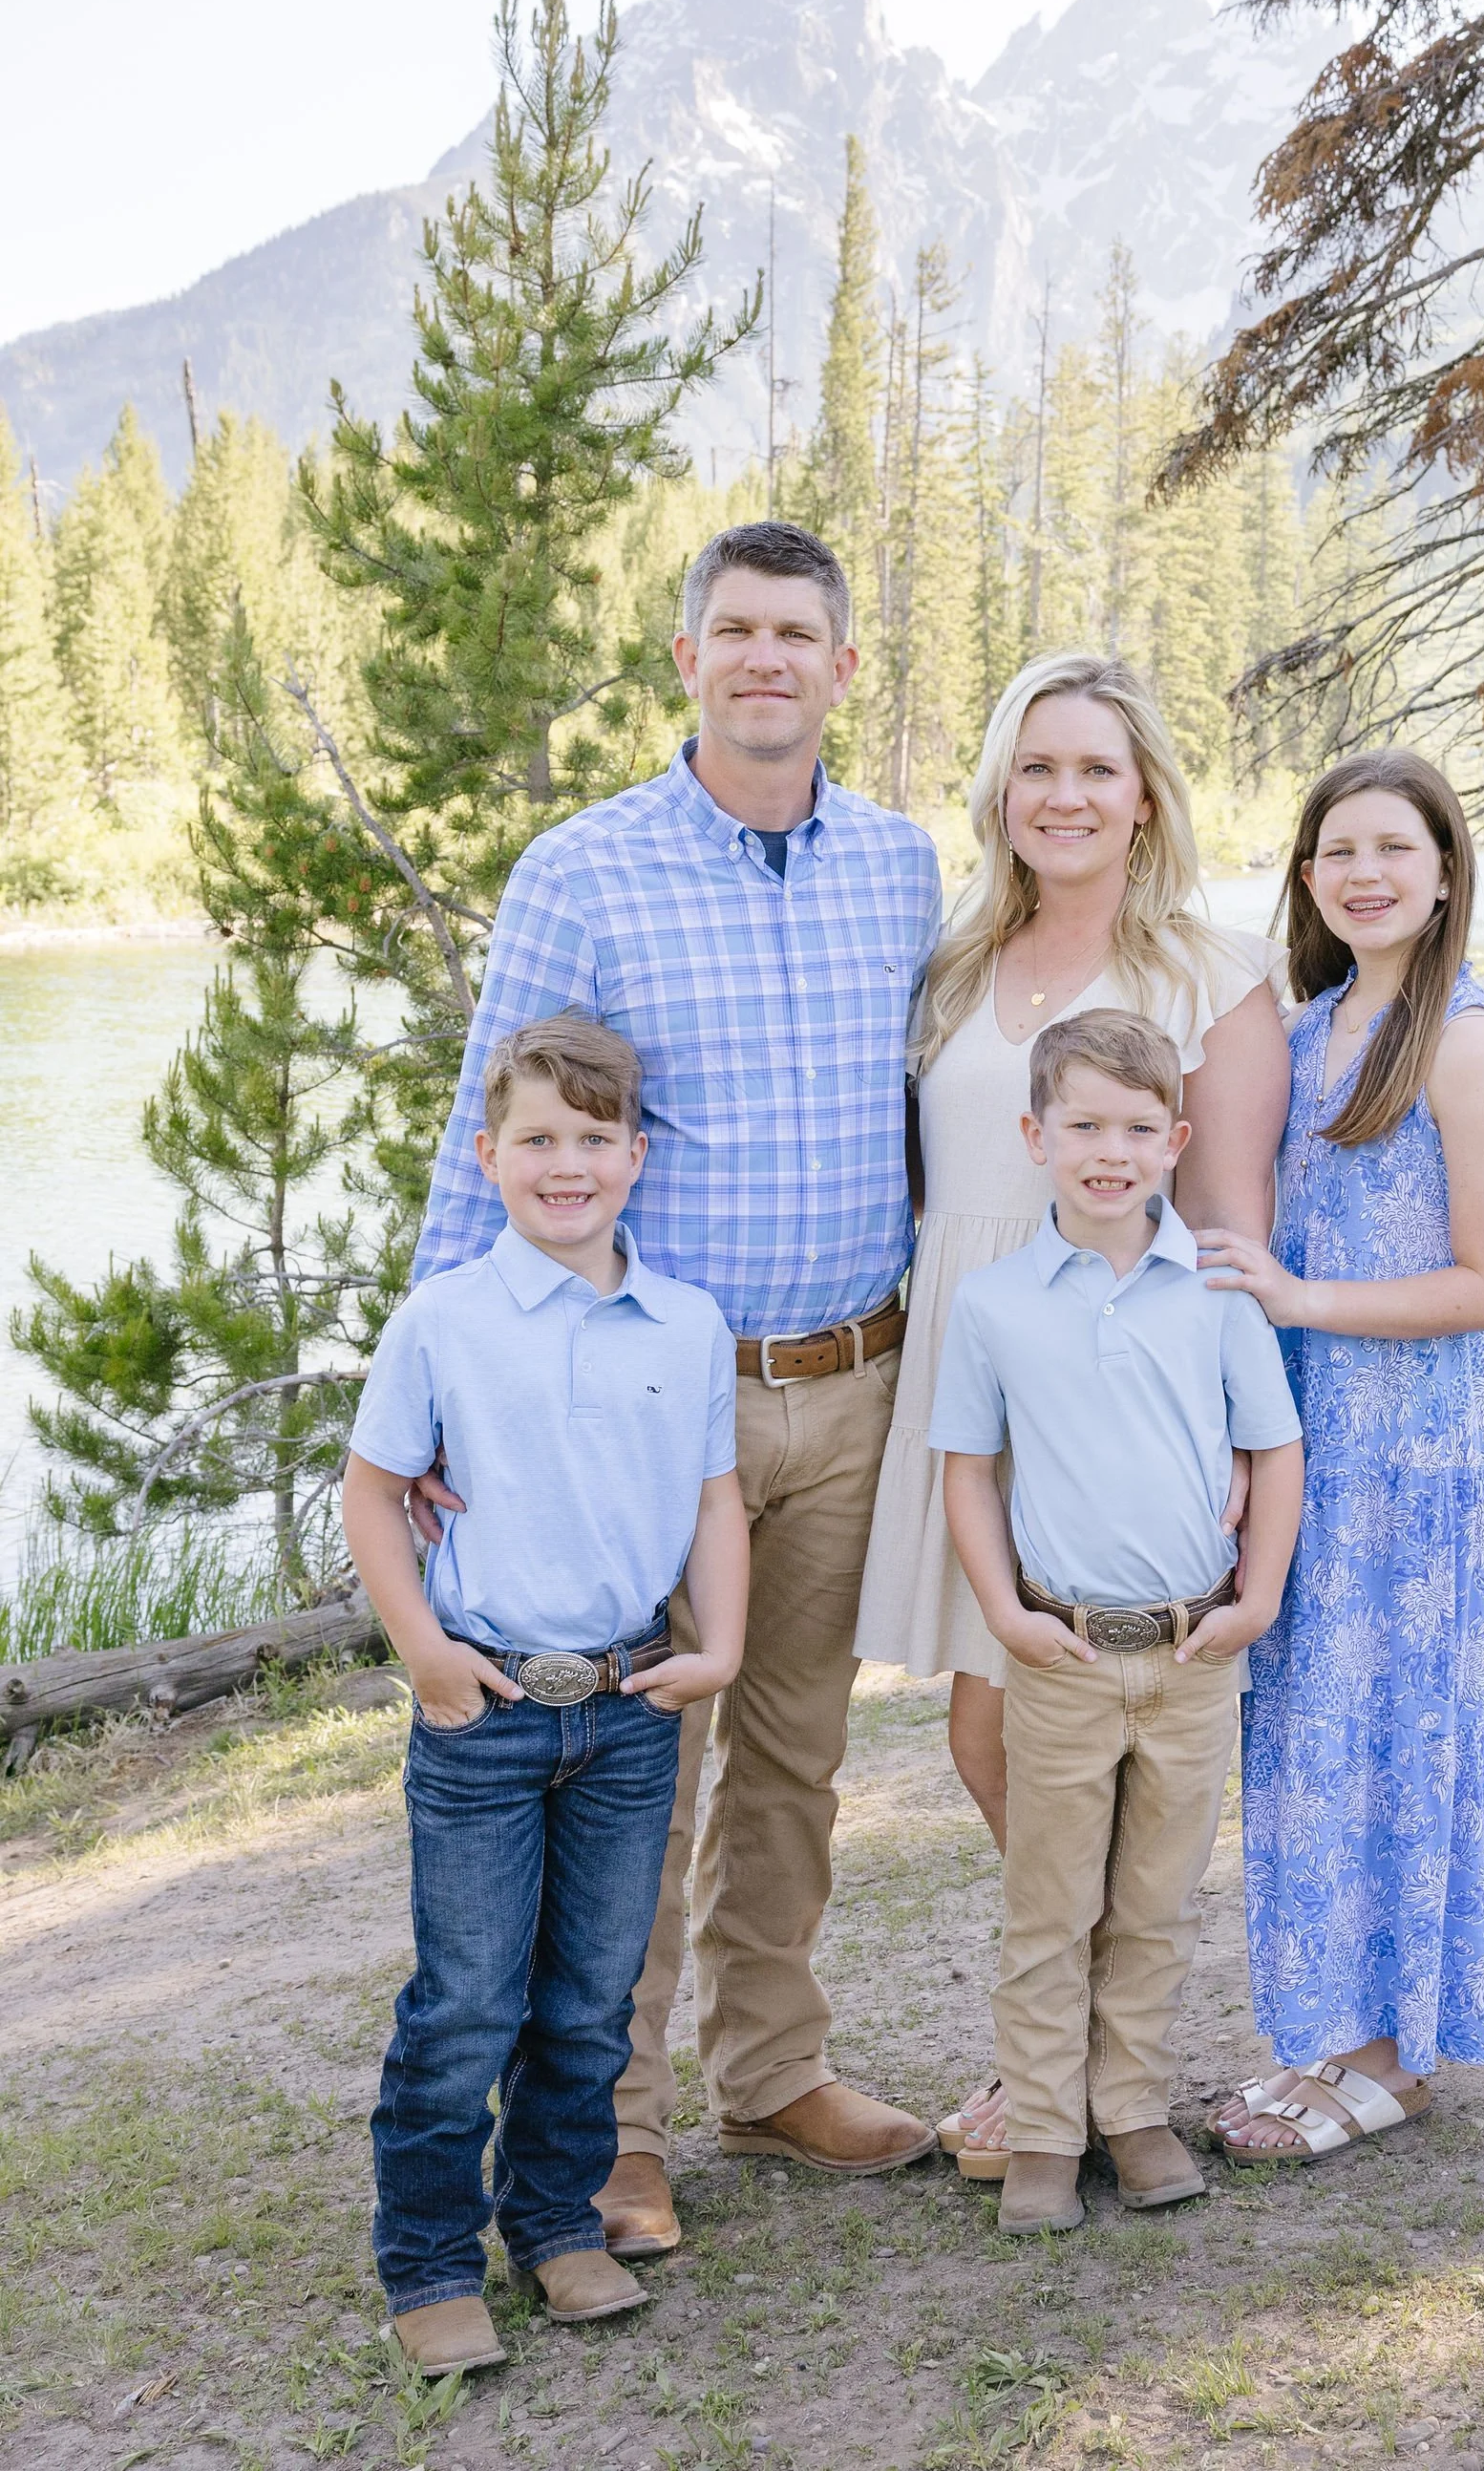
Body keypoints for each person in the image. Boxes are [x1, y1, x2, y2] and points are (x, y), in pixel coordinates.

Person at [409, 520, 943, 2259]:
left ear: (843, 664)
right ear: (688, 658)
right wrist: (433, 1396)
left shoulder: (898, 865)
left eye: (798, 629)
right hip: (650, 1407)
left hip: (851, 1375)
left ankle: (771, 2068)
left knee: (794, 1751)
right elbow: (479, 1135)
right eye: (734, 630)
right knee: (636, 1757)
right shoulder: (585, 867)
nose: (766, 657)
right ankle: (606, 2127)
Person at [852, 651, 1291, 2163]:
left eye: (1097, 767)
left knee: (1111, 1732)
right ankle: (1076, 2055)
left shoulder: (1210, 976)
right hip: (985, 1351)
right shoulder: (955, 968)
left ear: (1146, 791)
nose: (1066, 794)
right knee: (993, 1728)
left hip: (1141, 1379)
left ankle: (1092, 2070)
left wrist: (1241, 1434)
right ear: (999, 792)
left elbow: (1229, 1221)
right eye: (1037, 767)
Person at [342, 1015, 750, 2375]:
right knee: (466, 2001)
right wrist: (425, 1654)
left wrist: (724, 1645)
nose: (565, 1165)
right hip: (485, 1708)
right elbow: (373, 1494)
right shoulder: (445, 1319)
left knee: (589, 1997)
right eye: (537, 1141)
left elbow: (713, 1500)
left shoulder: (686, 1321)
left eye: (592, 1139)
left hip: (630, 1705)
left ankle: (559, 2225)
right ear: (488, 1155)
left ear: (636, 1158)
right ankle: (429, 2265)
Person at [1194, 752, 1484, 2164]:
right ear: (1305, 878)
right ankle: (1324, 2028)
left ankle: (1396, 2051)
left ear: (1445, 872)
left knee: (1406, 1729)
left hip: (1426, 1449)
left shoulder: (1463, 1037)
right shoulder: (1296, 1037)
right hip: (1310, 1442)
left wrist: (1305, 1303)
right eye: (1336, 851)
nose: (1364, 874)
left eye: (1393, 850)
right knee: (1308, 1731)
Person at [932, 1008, 1304, 2232]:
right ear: (1035, 1135)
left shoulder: (1211, 1291)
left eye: (1139, 1128)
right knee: (1050, 1904)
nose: (1110, 1150)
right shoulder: (991, 1306)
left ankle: (1130, 2110)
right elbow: (968, 1473)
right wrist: (1002, 1612)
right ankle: (1043, 2129)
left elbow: (1273, 1446)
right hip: (1064, 1651)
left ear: (1175, 1138)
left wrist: (1254, 1595)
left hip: (1193, 1651)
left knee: (1153, 1900)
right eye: (1083, 1125)